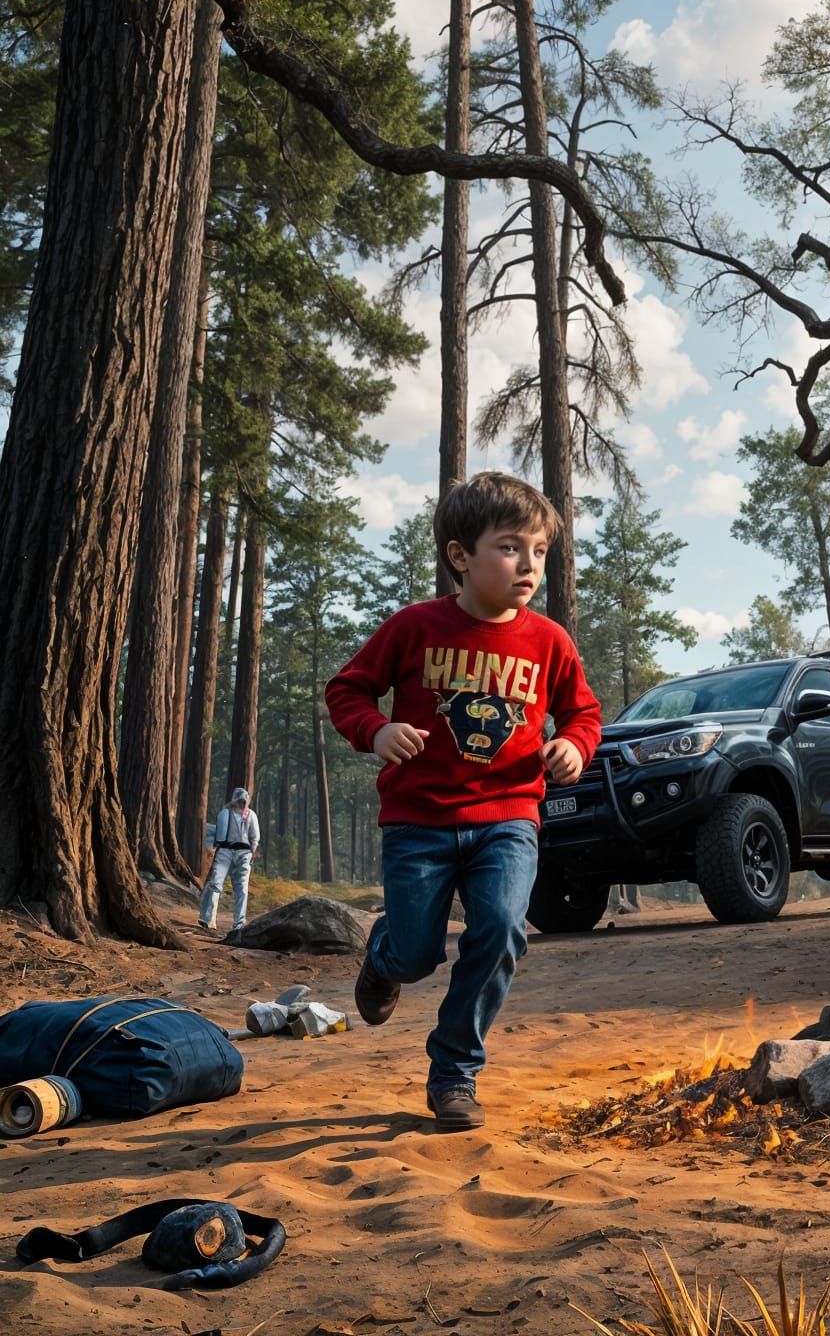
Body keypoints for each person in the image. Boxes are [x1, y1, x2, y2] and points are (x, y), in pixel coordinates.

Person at [325, 472, 602, 1132]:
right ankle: (386, 956)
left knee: (502, 928)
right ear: (460, 555)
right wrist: (377, 730)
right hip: (418, 821)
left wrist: (574, 745)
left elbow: (583, 713)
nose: (529, 564)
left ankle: (454, 1070)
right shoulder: (414, 626)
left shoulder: (549, 641)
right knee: (417, 955)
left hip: (509, 816)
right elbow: (347, 691)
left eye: (539, 551)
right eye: (510, 547)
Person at [199, 786, 260, 935]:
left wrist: (251, 852)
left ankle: (239, 924)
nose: (242, 802)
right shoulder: (225, 813)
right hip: (225, 851)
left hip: (244, 853)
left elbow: (255, 836)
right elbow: (219, 835)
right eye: (240, 799)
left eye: (244, 799)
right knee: (216, 883)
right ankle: (208, 919)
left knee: (242, 889)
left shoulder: (251, 815)